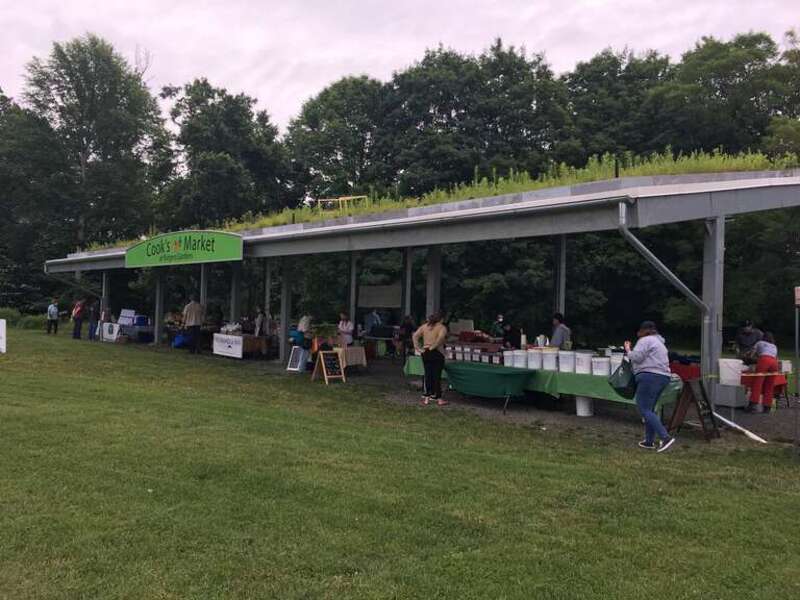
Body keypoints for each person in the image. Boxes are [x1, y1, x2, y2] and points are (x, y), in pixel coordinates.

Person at [624, 320, 676, 453]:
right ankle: (649, 441)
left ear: (642, 331)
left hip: (649, 376)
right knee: (650, 410)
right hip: (663, 377)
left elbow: (637, 357)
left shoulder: (645, 340)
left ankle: (665, 437)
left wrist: (628, 350)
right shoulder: (660, 343)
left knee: (644, 409)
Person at [413, 312, 448, 406]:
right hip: (437, 352)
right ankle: (439, 398)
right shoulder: (442, 327)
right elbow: (441, 338)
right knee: (436, 375)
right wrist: (434, 346)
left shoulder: (425, 326)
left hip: (425, 351)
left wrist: (417, 348)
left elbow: (415, 335)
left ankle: (427, 398)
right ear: (441, 319)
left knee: (428, 374)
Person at [747, 331, 780, 413]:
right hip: (774, 363)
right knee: (770, 385)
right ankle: (767, 407)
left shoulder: (760, 342)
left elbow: (752, 354)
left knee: (757, 382)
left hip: (764, 360)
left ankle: (753, 405)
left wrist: (748, 357)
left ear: (763, 337)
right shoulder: (774, 346)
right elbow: (776, 357)